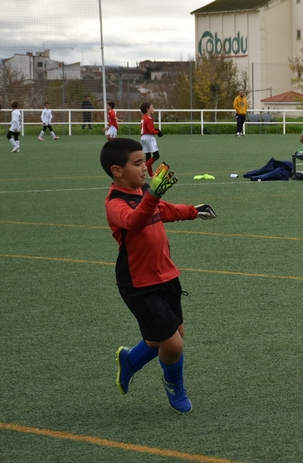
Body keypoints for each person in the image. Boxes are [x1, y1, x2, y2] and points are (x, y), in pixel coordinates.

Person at [101, 138, 216, 413]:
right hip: (138, 284)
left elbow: (162, 211)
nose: (145, 168)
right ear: (117, 170)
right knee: (173, 345)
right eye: (138, 163)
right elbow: (135, 221)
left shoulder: (142, 192)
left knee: (172, 334)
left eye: (145, 162)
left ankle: (131, 360)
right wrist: (154, 194)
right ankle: (175, 388)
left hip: (165, 275)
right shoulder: (115, 203)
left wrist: (193, 211)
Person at [140, 102, 163, 177]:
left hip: (143, 137)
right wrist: (158, 132)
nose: (153, 109)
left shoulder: (144, 118)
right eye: (152, 107)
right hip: (149, 137)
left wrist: (155, 130)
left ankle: (150, 174)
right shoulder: (149, 118)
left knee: (148, 156)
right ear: (147, 109)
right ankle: (143, 168)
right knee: (156, 155)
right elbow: (151, 131)